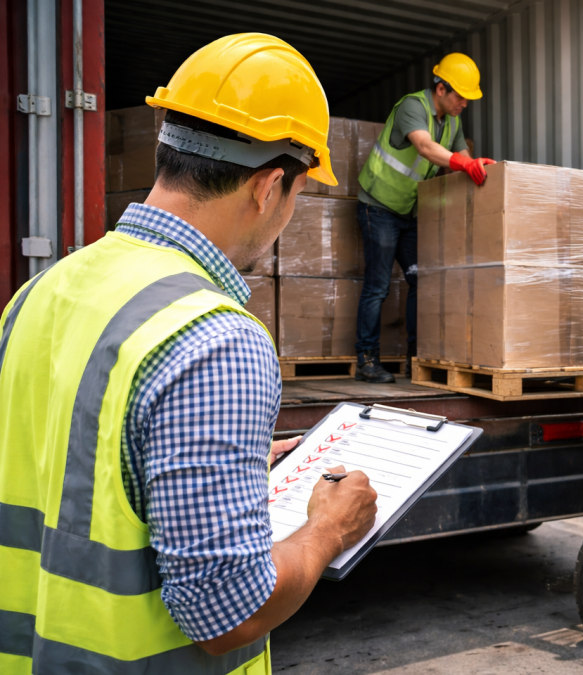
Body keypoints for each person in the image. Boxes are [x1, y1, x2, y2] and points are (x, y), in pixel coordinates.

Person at [0, 34, 378, 673]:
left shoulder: (37, 294)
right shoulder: (216, 341)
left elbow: (74, 466)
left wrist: (213, 462)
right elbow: (226, 611)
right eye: (296, 196)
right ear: (268, 187)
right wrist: (327, 530)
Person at [354, 53, 495, 383]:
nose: (464, 104)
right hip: (379, 205)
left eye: (468, 98)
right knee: (378, 286)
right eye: (460, 96)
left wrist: (481, 169)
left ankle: (416, 358)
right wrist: (463, 165)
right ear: (441, 88)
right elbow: (425, 147)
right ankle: (366, 360)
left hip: (409, 211)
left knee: (423, 279)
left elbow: (462, 156)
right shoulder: (412, 107)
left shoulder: (454, 122)